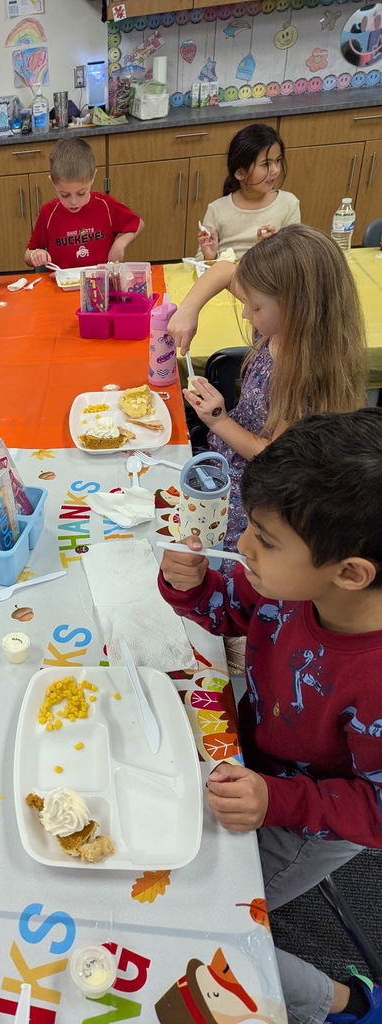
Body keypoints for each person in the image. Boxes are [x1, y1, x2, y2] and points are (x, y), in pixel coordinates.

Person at [158, 408, 382, 1024]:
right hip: (251, 764)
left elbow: (376, 806)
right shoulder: (293, 584)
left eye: (264, 538)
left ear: (351, 573)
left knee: (194, 930)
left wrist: (275, 802)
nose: (242, 545)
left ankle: (348, 1002)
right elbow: (231, 609)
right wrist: (194, 585)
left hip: (308, 820)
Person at [175, 224, 367, 552]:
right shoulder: (281, 327)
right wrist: (188, 311)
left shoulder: (307, 374)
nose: (246, 313)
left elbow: (274, 457)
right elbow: (222, 269)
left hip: (263, 482)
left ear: (295, 306)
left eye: (256, 306)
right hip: (229, 453)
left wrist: (219, 420)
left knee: (200, 541)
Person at [24, 137, 144, 270]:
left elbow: (138, 223)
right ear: (52, 182)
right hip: (62, 284)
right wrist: (36, 254)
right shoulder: (48, 212)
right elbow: (28, 255)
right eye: (65, 195)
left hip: (100, 281)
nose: (73, 202)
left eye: (81, 193)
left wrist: (119, 244)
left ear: (93, 177)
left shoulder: (105, 205)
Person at [197, 123, 300, 260]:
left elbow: (295, 257)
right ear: (240, 173)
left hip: (267, 277)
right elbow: (200, 260)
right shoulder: (217, 209)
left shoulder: (288, 204)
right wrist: (209, 256)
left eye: (278, 161)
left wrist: (271, 248)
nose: (275, 170)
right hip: (226, 277)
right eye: (265, 164)